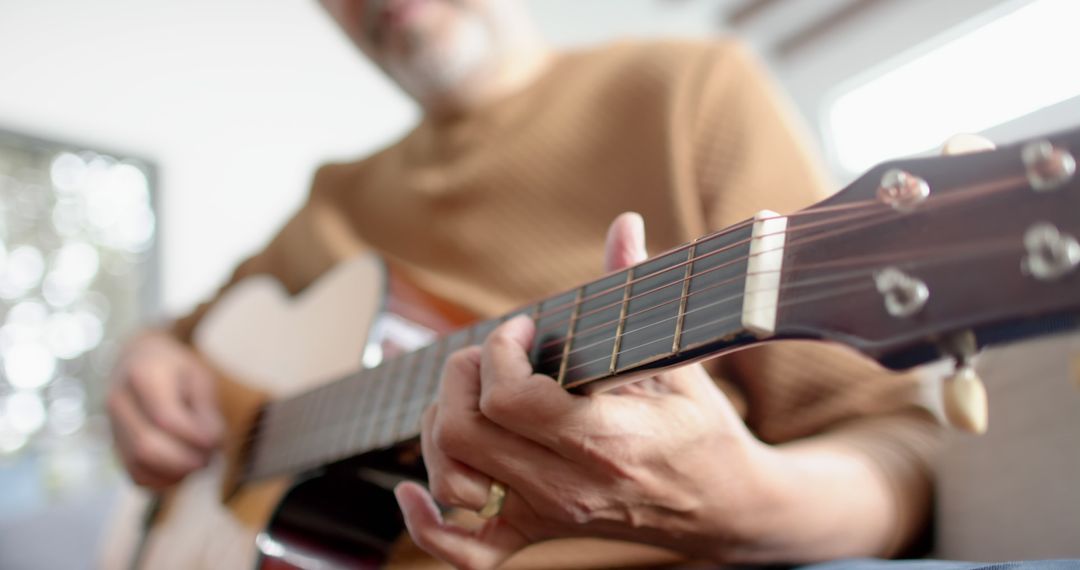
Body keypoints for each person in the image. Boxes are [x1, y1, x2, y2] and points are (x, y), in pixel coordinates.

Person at [107, 0, 940, 566]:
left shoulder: (688, 92)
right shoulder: (330, 204)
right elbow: (184, 337)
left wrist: (739, 500)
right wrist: (141, 360)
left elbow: (900, 461)